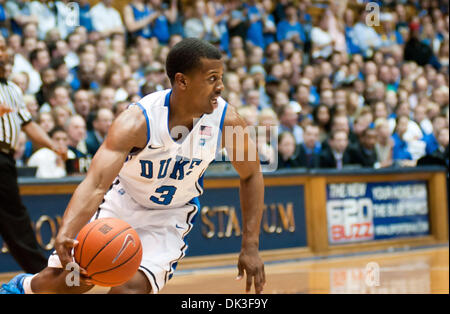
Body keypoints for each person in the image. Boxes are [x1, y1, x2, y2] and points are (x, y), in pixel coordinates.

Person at [1, 38, 265, 294]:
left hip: (169, 215)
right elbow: (95, 183)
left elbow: (251, 174)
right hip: (121, 203)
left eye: (220, 78)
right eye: (211, 79)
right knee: (70, 281)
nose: (220, 87)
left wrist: (250, 246)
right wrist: (67, 233)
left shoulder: (228, 122)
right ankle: (21, 288)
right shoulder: (137, 121)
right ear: (182, 81)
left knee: (130, 289)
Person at [0, 37, 65, 274]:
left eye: (4, 47)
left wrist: (52, 145)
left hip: (4, 159)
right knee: (15, 218)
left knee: (15, 219)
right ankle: (41, 272)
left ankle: (41, 274)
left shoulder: (13, 89)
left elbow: (29, 126)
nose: (4, 53)